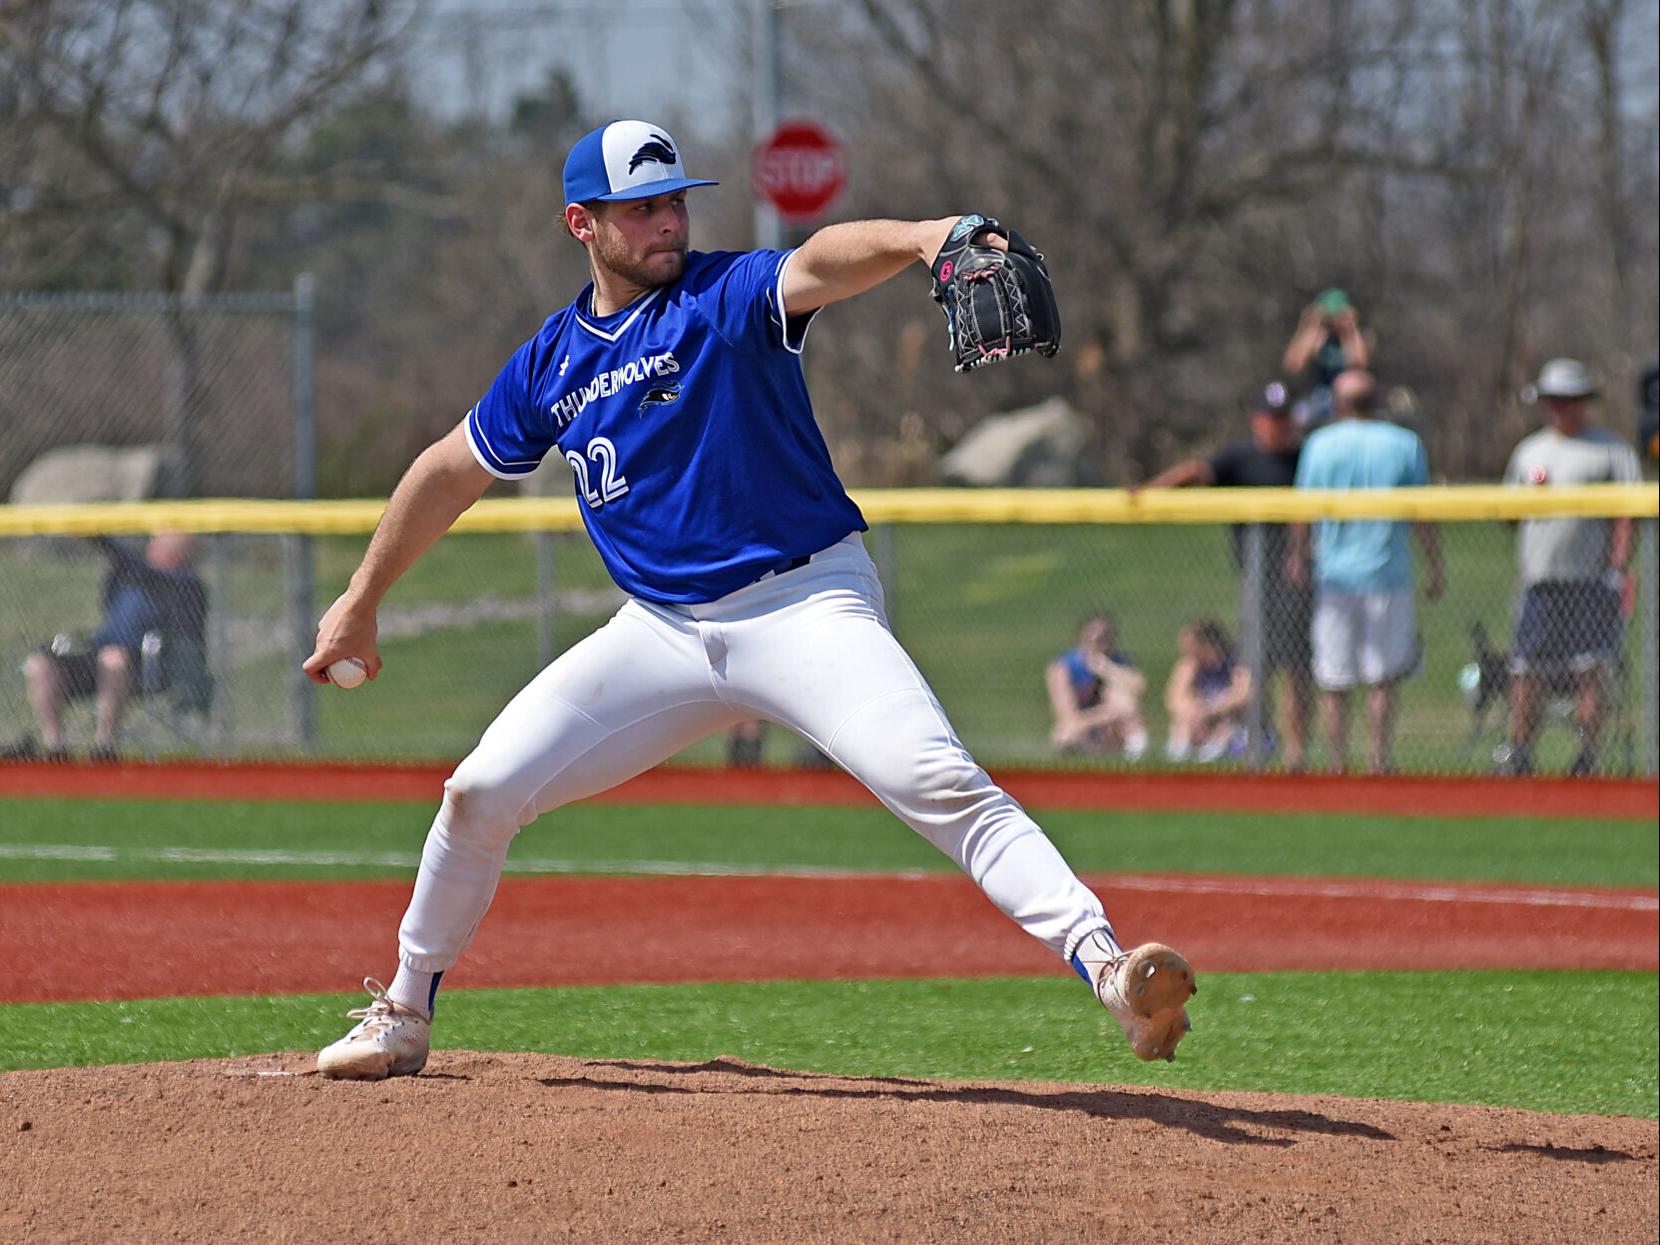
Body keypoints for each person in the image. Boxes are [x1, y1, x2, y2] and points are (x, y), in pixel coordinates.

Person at [305, 119, 1195, 1080]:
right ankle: (402, 1008)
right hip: (660, 633)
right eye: (641, 207)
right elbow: (447, 468)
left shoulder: (721, 297)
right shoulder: (552, 363)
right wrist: (362, 598)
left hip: (803, 606)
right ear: (581, 224)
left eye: (676, 201)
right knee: (477, 792)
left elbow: (818, 262)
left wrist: (926, 236)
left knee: (935, 780)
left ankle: (1110, 969)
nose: (667, 221)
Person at [1138, 380, 1314, 769]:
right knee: (1256, 668)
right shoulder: (1240, 457)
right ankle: (1256, 747)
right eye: (1272, 419)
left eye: (1284, 419)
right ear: (1257, 421)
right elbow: (1197, 471)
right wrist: (1149, 491)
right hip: (1257, 582)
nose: (1278, 426)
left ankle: (1296, 755)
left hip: (1300, 581)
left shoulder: (1306, 457)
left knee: (1297, 671)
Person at [1289, 369, 1444, 774]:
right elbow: (1423, 514)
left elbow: (1302, 511)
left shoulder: (1319, 445)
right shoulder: (1404, 443)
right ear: (1376, 402)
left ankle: (1337, 763)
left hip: (1335, 577)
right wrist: (1435, 564)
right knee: (1381, 677)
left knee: (1335, 678)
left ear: (1338, 404)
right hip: (1386, 575)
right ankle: (1378, 761)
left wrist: (1297, 555)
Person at [1493, 358, 1642, 777]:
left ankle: (1587, 758)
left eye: (1569, 400)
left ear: (1583, 402)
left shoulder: (1611, 449)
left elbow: (1628, 516)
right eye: (1554, 400)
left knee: (1590, 670)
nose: (1560, 408)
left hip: (1591, 581)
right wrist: (1530, 500)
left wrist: (1617, 569)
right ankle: (1520, 750)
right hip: (1540, 580)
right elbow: (1507, 515)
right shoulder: (1530, 451)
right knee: (1527, 670)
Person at [2, 532, 206, 763]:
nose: (152, 549)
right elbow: (121, 575)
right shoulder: (130, 577)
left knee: (113, 658)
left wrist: (98, 536)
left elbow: (132, 564)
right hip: (99, 657)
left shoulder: (185, 583)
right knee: (40, 664)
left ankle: (104, 747)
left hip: (146, 667)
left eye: (162, 545)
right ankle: (55, 749)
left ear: (180, 552)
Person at [1045, 612, 1149, 760]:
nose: (1100, 644)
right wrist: (1113, 713)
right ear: (1082, 638)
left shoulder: (1119, 662)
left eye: (1105, 638)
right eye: (1094, 639)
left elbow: (1139, 687)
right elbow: (1068, 716)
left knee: (1125, 703)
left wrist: (1107, 669)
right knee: (1066, 734)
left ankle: (1135, 762)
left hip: (1112, 729)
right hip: (1084, 726)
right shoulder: (1064, 667)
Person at [1163, 618, 1252, 763]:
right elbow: (1174, 697)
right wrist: (1192, 712)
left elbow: (1245, 694)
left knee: (1227, 724)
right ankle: (1178, 759)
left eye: (1190, 646)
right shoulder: (1190, 664)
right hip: (1199, 721)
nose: (1184, 651)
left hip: (1229, 720)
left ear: (1207, 645)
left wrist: (1211, 710)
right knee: (1182, 724)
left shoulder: (1235, 661)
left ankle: (1210, 756)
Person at [1281, 289, 1370, 430]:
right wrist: (1312, 326)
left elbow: (1359, 364)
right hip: (1317, 397)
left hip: (1348, 400)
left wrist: (1350, 329)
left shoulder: (1358, 336)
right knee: (1296, 417)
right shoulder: (1315, 337)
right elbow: (1294, 365)